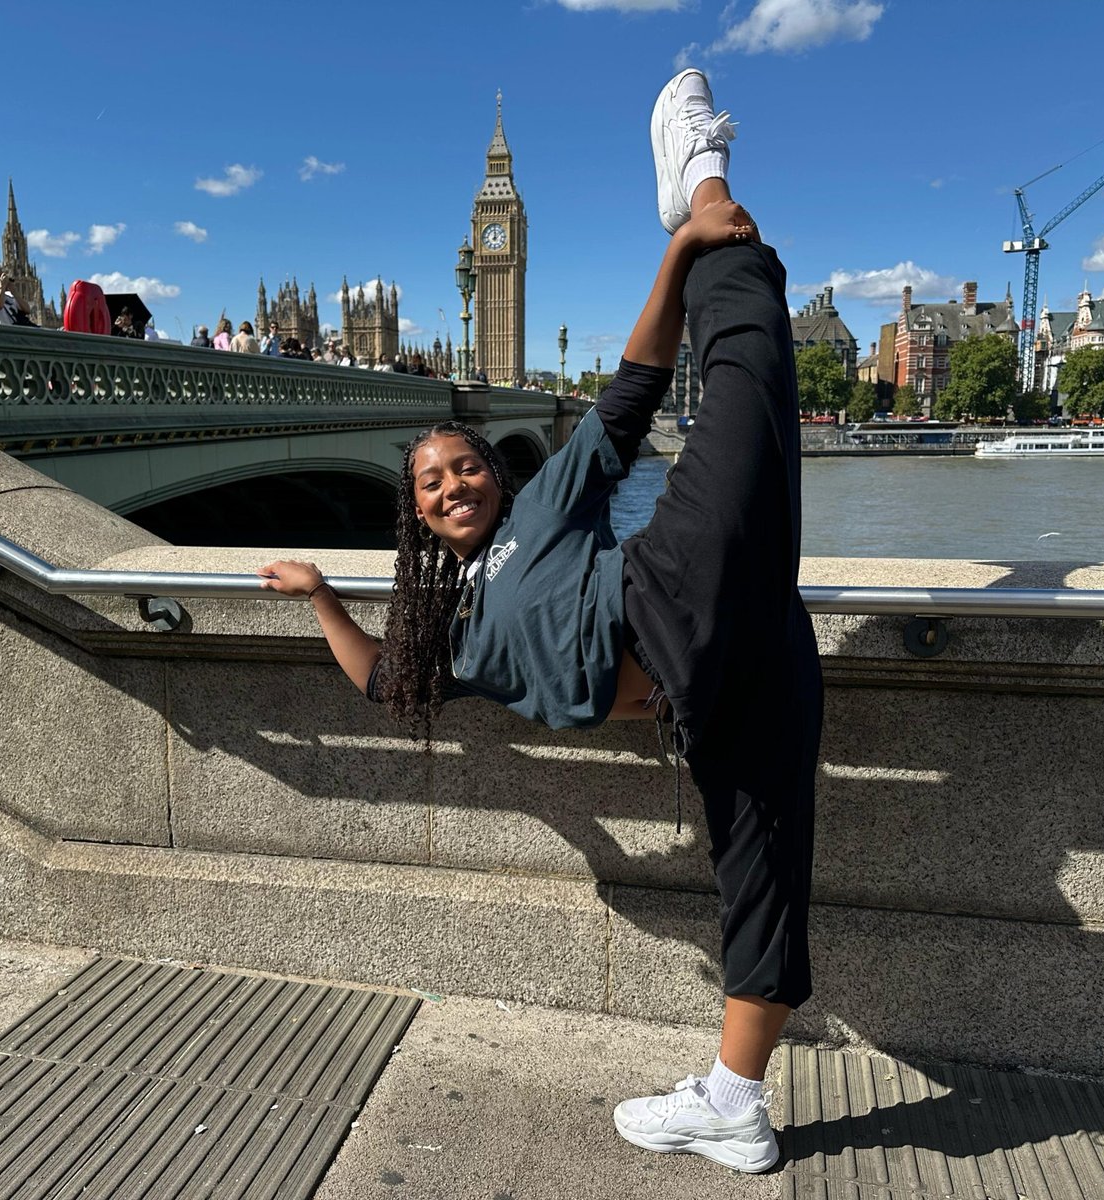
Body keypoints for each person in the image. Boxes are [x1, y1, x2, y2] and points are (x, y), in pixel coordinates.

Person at [258, 68, 815, 1175]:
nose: (453, 481)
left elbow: (632, 389)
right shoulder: (448, 632)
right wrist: (322, 597)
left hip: (672, 591)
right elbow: (383, 686)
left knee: (749, 380)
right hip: (729, 677)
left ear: (495, 479)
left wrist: (678, 253)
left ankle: (699, 187)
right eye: (431, 481)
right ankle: (734, 1106)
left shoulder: (548, 504)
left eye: (465, 465)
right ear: (415, 517)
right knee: (761, 895)